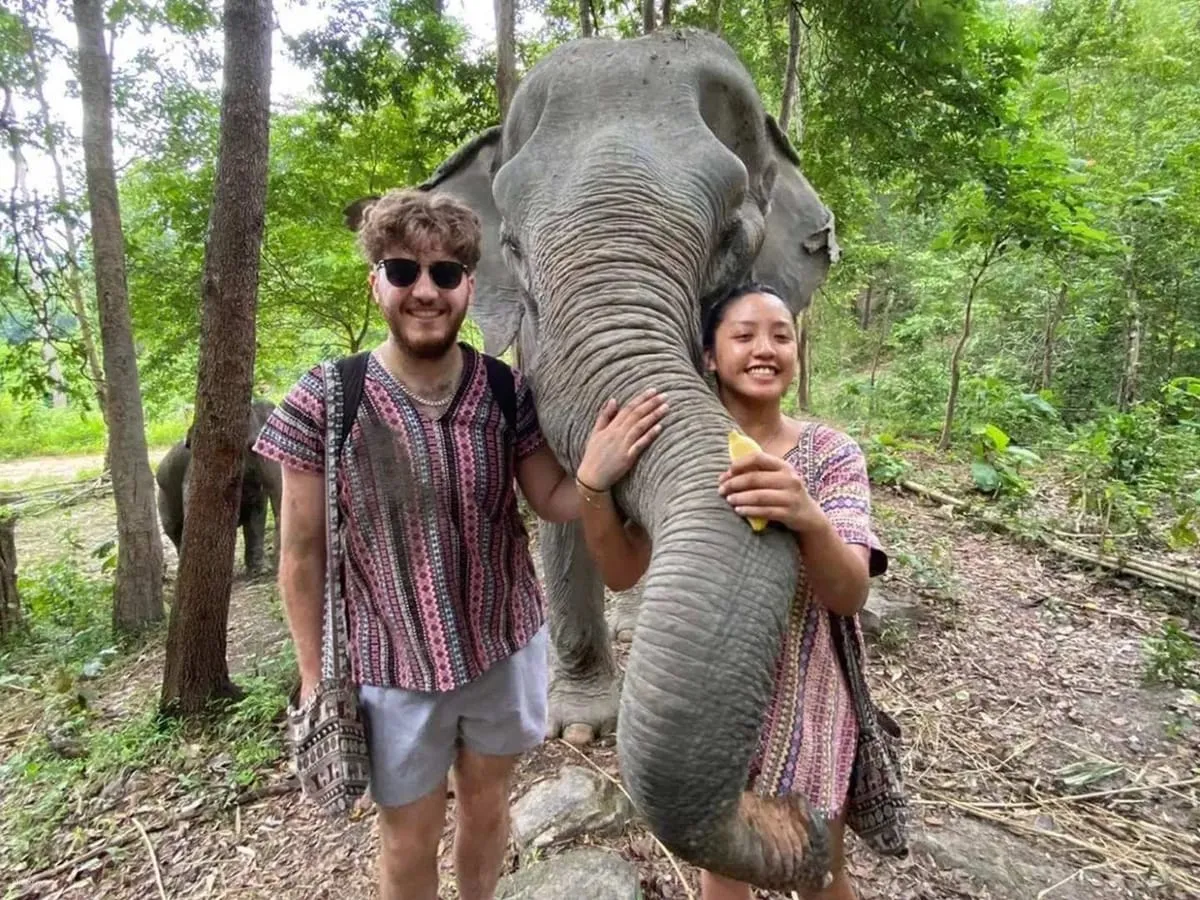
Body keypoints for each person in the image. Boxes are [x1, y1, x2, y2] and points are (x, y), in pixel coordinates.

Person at [253, 189, 581, 900]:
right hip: (390, 663)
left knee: (489, 805)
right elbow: (301, 554)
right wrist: (314, 675)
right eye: (403, 272)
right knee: (408, 836)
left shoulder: (504, 390)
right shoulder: (325, 398)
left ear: (469, 286)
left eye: (445, 273)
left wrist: (610, 468)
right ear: (376, 282)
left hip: (503, 642)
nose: (425, 291)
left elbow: (552, 499)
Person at [573, 283, 888, 900]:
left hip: (811, 703)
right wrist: (593, 483)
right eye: (744, 335)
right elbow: (620, 573)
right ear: (710, 356)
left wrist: (809, 516)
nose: (765, 349)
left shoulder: (830, 453)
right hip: (706, 693)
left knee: (817, 871)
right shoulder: (675, 450)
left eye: (781, 335)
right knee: (719, 858)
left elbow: (849, 596)